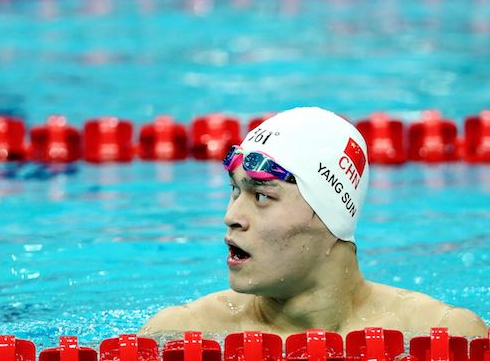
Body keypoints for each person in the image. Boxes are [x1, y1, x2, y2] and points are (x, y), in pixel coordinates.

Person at [140, 107, 488, 338]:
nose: (231, 217)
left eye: (262, 196)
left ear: (329, 213)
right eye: (235, 190)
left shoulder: (443, 335)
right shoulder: (180, 335)